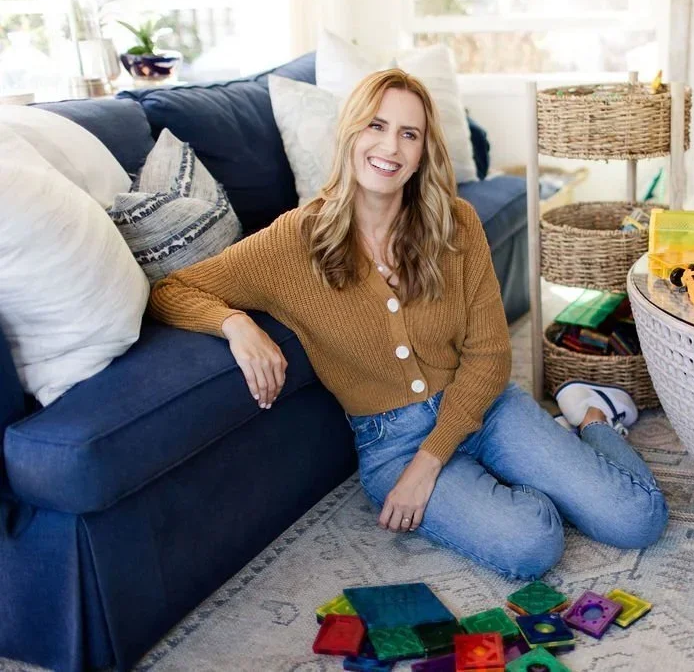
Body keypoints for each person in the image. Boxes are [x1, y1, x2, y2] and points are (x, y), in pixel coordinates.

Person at [149, 69, 667, 580]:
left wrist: (431, 464)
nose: (390, 147)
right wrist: (236, 324)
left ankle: (593, 416)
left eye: (408, 133)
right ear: (350, 132)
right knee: (532, 542)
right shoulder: (294, 241)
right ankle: (539, 468)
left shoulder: (455, 223)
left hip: (484, 406)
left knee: (637, 519)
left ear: (422, 152)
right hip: (390, 440)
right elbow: (171, 290)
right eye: (376, 126)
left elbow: (489, 356)